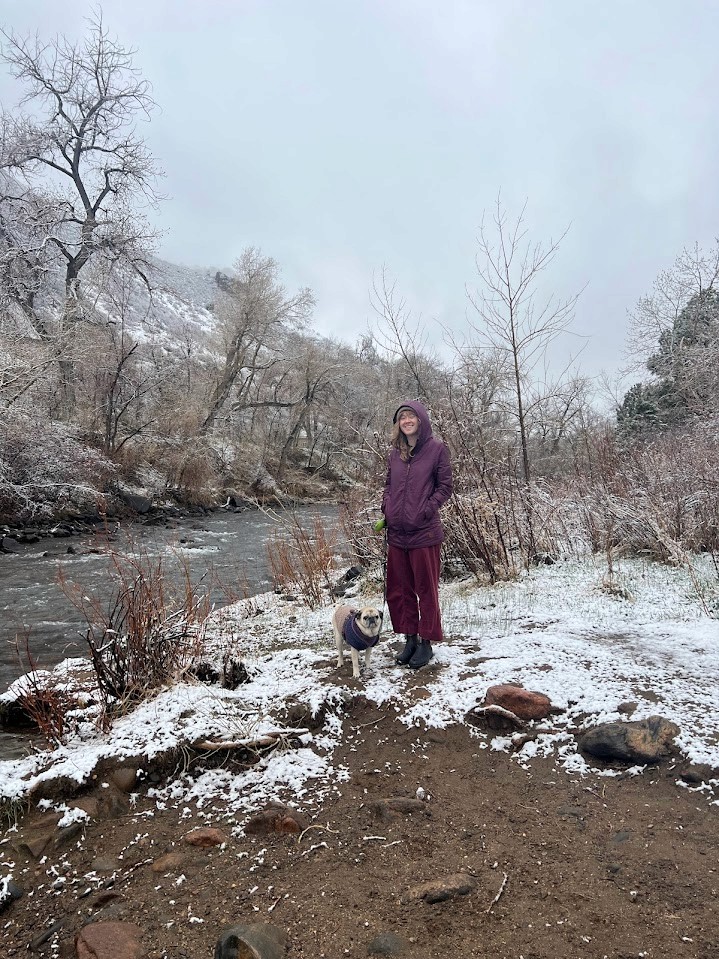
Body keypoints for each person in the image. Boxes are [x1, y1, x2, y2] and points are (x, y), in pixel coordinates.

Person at [380, 400, 453, 668]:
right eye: (402, 418)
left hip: (424, 532)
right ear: (398, 424)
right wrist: (386, 507)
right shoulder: (395, 453)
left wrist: (425, 510)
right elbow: (388, 484)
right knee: (400, 590)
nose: (407, 421)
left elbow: (445, 487)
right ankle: (409, 638)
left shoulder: (436, 450)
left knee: (426, 589)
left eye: (411, 416)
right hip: (397, 533)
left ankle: (426, 643)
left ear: (421, 420)